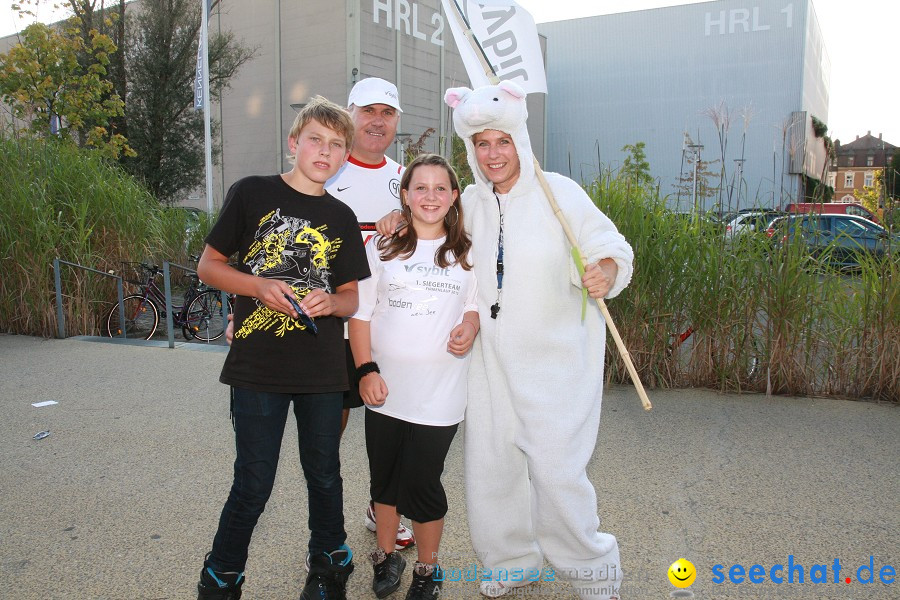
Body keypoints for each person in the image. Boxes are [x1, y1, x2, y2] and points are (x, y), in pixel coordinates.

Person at [378, 81, 633, 600]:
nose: (492, 154)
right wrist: (396, 218)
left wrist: (606, 269)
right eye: (481, 144)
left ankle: (594, 571)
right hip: (489, 365)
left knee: (559, 475)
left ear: (520, 140)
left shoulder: (560, 193)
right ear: (471, 150)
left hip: (554, 364)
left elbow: (609, 245)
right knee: (492, 472)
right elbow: (427, 222)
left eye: (502, 141)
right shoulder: (467, 201)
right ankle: (511, 561)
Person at [225, 77, 417, 553]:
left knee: (394, 413)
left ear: (396, 121)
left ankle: (382, 504)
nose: (377, 120)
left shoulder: (408, 179)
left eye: (387, 112)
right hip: (323, 330)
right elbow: (263, 251)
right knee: (334, 424)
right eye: (367, 110)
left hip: (390, 318)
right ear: (350, 114)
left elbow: (439, 231)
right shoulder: (315, 168)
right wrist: (243, 305)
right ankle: (323, 515)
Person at [195, 96, 370, 600]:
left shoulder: (341, 216)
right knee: (253, 481)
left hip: (320, 370)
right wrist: (257, 286)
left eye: (338, 145)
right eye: (316, 139)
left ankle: (328, 565)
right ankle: (222, 575)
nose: (325, 150)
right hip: (257, 368)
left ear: (344, 158)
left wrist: (330, 302)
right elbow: (209, 266)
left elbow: (352, 297)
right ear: (294, 143)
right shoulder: (251, 193)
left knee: (325, 473)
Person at [350, 154, 479, 600]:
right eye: (419, 187)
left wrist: (472, 325)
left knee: (423, 481)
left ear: (454, 196)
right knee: (384, 478)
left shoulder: (467, 252)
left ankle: (428, 569)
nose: (430, 196)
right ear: (404, 194)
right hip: (384, 388)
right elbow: (361, 316)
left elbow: (475, 305)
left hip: (440, 394)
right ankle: (386, 557)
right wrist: (365, 370)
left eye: (440, 188)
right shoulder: (382, 248)